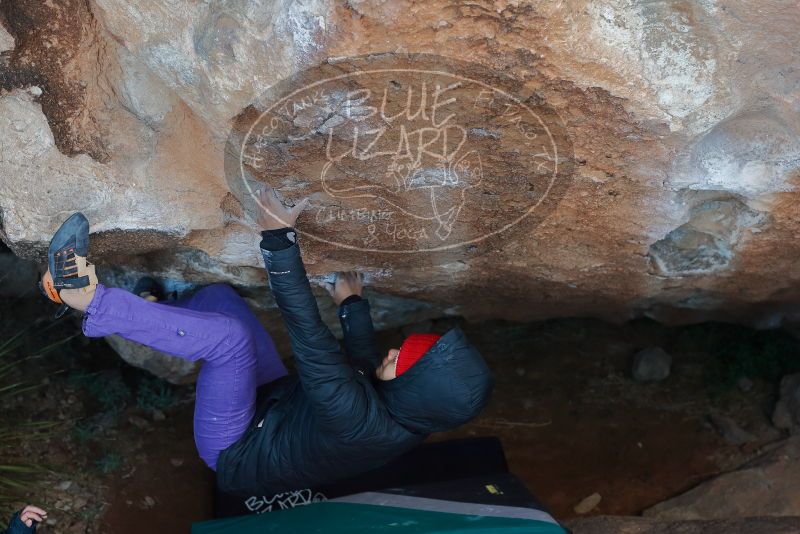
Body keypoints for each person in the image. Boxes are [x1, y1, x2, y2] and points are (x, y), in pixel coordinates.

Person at [38, 188, 493, 496]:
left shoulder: (357, 419)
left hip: (235, 448)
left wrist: (278, 237)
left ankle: (85, 298)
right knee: (219, 299)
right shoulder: (411, 412)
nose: (395, 351)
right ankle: (154, 305)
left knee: (230, 340)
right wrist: (352, 304)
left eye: (405, 360)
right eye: (407, 347)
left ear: (417, 388)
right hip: (273, 407)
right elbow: (363, 360)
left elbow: (308, 334)